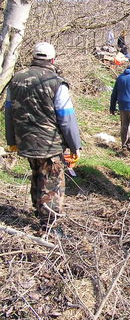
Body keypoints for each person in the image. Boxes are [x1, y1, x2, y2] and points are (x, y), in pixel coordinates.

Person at [4, 42, 81, 229]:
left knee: (38, 174)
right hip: (49, 144)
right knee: (52, 183)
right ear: (52, 59)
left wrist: (12, 140)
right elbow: (66, 118)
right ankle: (50, 225)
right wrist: (75, 145)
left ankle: (39, 212)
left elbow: (8, 112)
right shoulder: (55, 82)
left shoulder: (16, 79)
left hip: (25, 140)